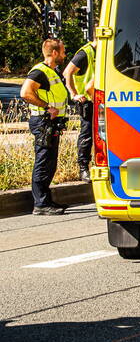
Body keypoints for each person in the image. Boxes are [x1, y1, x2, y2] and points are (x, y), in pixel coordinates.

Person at [20, 39, 70, 215]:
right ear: (55, 53)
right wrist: (46, 106)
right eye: (63, 51)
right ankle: (40, 204)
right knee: (43, 161)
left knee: (49, 162)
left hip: (50, 123)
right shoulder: (39, 72)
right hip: (43, 122)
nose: (64, 55)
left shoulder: (51, 72)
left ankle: (46, 200)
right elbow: (25, 93)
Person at [63, 36, 96, 181]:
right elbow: (67, 72)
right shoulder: (85, 53)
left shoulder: (101, 52)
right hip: (86, 101)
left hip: (99, 99)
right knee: (87, 134)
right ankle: (83, 168)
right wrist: (74, 94)